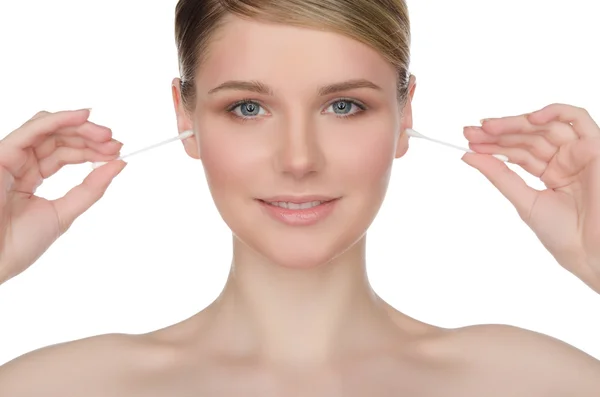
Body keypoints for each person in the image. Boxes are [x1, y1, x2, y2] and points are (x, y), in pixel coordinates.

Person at [1, 0, 599, 395]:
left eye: (344, 106)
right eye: (247, 108)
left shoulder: (534, 382)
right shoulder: (58, 387)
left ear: (404, 113)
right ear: (185, 118)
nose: (298, 160)